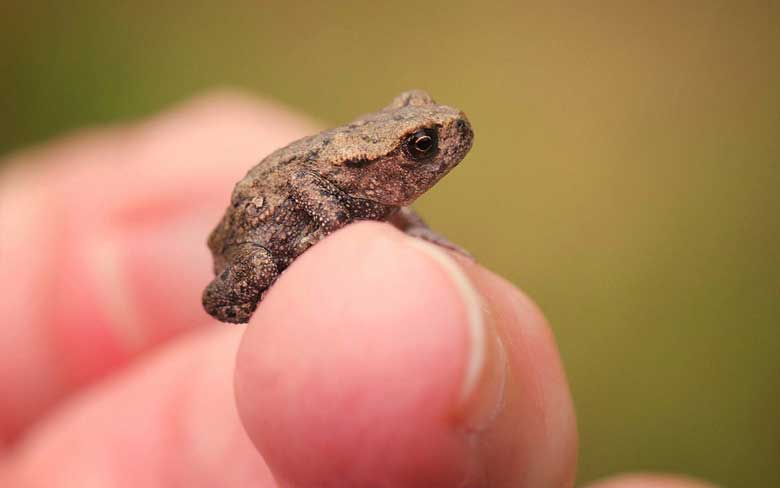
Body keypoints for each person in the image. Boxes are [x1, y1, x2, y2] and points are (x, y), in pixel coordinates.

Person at [0, 93, 714, 487]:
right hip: (243, 244)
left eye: (424, 135)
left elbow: (382, 205)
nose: (439, 142)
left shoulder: (372, 186)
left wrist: (414, 229)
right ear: (383, 161)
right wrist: (319, 244)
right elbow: (314, 195)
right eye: (420, 145)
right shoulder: (343, 183)